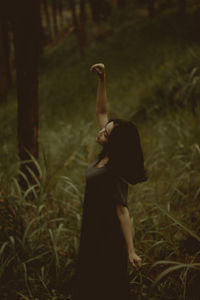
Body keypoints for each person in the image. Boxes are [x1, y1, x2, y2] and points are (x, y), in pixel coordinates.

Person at [72, 63, 147, 300]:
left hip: (107, 233)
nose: (100, 131)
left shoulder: (114, 171)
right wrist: (102, 80)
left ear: (113, 143)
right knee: (91, 278)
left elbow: (122, 211)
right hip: (92, 225)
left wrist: (131, 251)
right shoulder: (105, 157)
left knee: (107, 283)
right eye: (104, 129)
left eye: (105, 133)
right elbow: (101, 111)